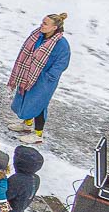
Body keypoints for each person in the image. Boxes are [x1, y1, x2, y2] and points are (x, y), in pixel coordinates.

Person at [8, 14, 69, 145]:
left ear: (54, 27)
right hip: (29, 75)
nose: (42, 25)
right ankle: (27, 124)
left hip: (44, 80)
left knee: (39, 104)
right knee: (27, 99)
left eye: (45, 24)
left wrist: (49, 76)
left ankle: (38, 134)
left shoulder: (61, 44)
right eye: (42, 22)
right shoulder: (37, 36)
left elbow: (62, 63)